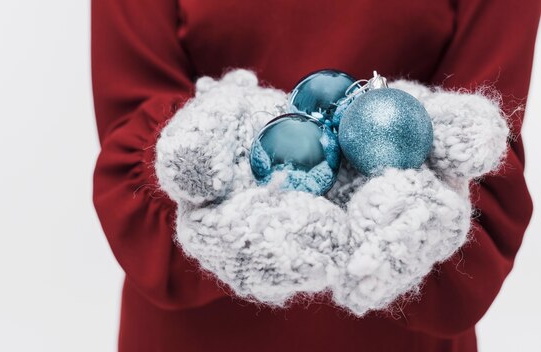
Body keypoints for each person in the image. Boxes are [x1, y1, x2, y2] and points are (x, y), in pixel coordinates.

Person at [91, 0, 539, 351]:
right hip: (190, 337)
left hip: (397, 336)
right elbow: (132, 122)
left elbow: (483, 157)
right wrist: (207, 165)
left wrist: (412, 210)